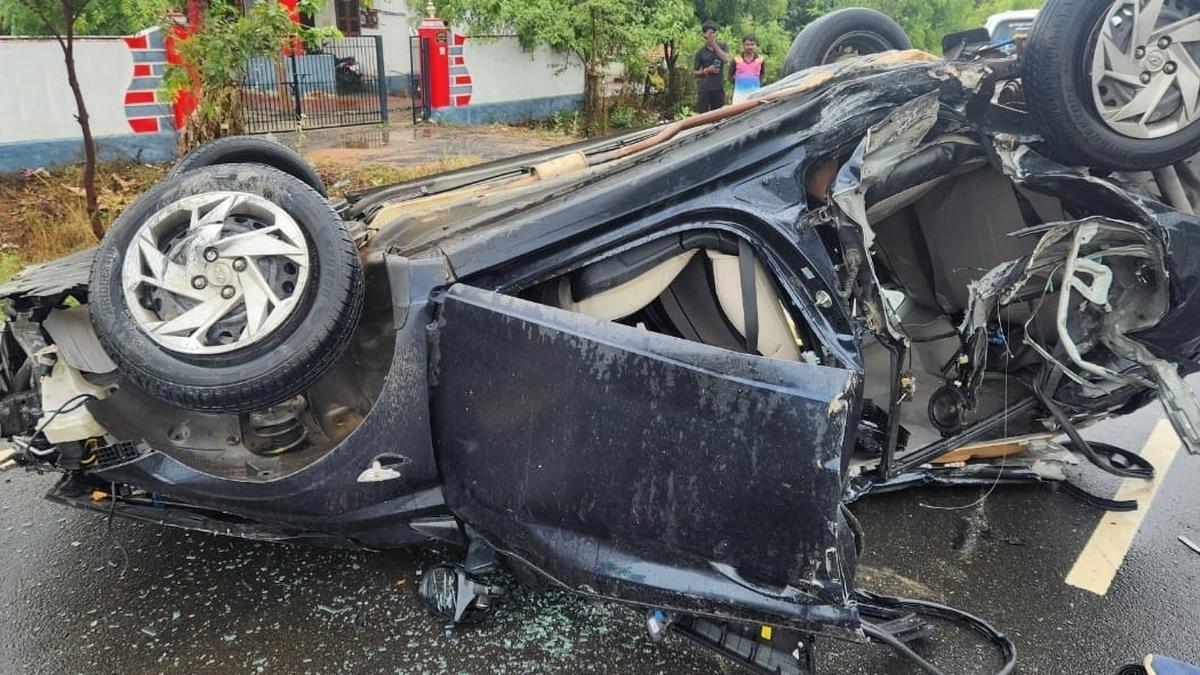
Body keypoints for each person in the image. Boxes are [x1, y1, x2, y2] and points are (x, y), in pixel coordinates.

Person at [693, 21, 730, 113]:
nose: (712, 35)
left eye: (713, 33)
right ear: (704, 35)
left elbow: (725, 59)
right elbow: (695, 73)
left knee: (719, 115)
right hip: (704, 89)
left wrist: (714, 45)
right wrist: (706, 71)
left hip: (718, 88)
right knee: (702, 116)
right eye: (709, 33)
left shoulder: (722, 46)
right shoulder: (700, 52)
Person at [729, 35, 765, 104]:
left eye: (752, 44)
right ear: (743, 45)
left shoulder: (761, 59)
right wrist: (739, 83)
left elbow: (762, 74)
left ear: (756, 45)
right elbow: (729, 76)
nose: (750, 47)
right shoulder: (736, 59)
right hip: (739, 94)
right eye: (747, 44)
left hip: (755, 93)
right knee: (738, 113)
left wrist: (755, 82)